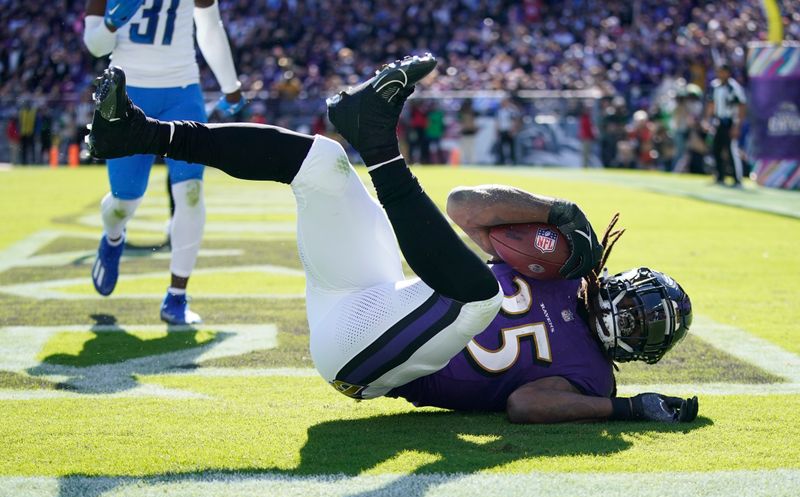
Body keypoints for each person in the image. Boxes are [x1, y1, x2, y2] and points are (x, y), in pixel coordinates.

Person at [88, 54, 697, 424]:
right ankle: (141, 132)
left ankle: (378, 139)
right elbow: (463, 207)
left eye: (641, 322)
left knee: (480, 297)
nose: (625, 310)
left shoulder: (595, 379)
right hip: (372, 294)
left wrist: (624, 409)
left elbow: (528, 406)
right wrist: (555, 208)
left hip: (362, 356)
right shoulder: (563, 267)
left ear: (638, 352)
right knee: (322, 164)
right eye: (635, 297)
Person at [82, 0, 246, 324]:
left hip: (182, 92)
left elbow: (209, 25)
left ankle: (176, 297)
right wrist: (113, 22)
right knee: (124, 202)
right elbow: (94, 44)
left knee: (191, 191)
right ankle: (113, 237)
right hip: (127, 92)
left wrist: (231, 85)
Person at [706, 63, 747, 187]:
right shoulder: (714, 86)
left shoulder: (734, 87)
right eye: (719, 72)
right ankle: (720, 176)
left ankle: (737, 179)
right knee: (716, 149)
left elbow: (742, 106)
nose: (720, 74)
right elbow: (711, 104)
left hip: (730, 121)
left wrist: (737, 125)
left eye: (723, 72)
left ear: (728, 73)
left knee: (731, 150)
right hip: (718, 120)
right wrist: (708, 120)